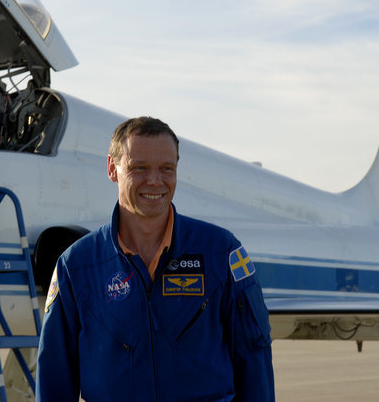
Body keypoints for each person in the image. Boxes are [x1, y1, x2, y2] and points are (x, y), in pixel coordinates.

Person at [35, 116, 275, 401]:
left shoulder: (220, 253)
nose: (155, 181)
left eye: (166, 169)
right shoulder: (77, 266)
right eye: (139, 168)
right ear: (113, 169)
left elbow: (254, 357)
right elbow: (53, 377)